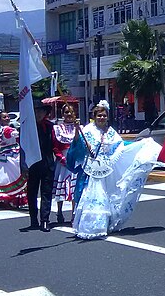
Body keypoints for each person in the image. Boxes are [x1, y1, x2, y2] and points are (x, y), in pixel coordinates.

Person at [68, 100, 160, 239]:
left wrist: (140, 145)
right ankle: (88, 226)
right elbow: (77, 145)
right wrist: (76, 130)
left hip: (105, 170)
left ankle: (104, 224)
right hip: (91, 171)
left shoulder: (111, 132)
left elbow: (120, 148)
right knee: (89, 196)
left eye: (104, 115)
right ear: (95, 116)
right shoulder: (87, 130)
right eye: (99, 115)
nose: (102, 118)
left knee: (107, 195)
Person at [21, 100, 57, 232]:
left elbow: (56, 145)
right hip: (32, 164)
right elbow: (22, 148)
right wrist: (23, 166)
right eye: (36, 111)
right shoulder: (26, 128)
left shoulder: (50, 127)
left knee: (46, 193)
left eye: (41, 111)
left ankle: (45, 220)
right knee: (32, 193)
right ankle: (33, 219)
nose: (39, 113)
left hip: (47, 164)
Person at [52, 103, 79, 224]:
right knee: (61, 186)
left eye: (71, 112)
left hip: (76, 160)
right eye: (66, 112)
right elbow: (55, 147)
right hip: (63, 161)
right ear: (62, 114)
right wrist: (61, 158)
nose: (69, 115)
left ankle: (74, 213)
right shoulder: (57, 128)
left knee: (74, 188)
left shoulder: (79, 128)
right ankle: (59, 211)